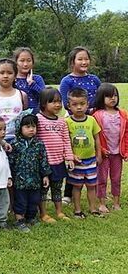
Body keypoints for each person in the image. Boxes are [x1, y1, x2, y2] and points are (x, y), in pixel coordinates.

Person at [59, 46, 101, 204]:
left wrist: (90, 112)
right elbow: (65, 101)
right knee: (74, 154)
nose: (84, 62)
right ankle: (68, 193)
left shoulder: (94, 79)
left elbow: (100, 97)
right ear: (72, 62)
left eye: (86, 59)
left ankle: (95, 189)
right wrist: (78, 113)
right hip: (73, 121)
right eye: (80, 59)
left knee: (90, 152)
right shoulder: (67, 81)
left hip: (92, 120)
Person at [8, 110, 51, 232]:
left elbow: (43, 161)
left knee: (34, 200)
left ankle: (31, 217)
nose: (31, 129)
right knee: (20, 200)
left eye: (33, 126)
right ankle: (19, 219)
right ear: (19, 127)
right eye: (27, 127)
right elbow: (10, 162)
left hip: (35, 179)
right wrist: (9, 176)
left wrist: (45, 175)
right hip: (19, 180)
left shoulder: (39, 145)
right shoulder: (15, 145)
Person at [36, 87, 74, 223]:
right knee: (43, 190)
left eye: (59, 101)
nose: (57, 105)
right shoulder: (38, 119)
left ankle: (59, 211)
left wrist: (69, 157)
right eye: (53, 102)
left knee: (57, 188)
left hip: (58, 162)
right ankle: (44, 214)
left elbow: (66, 140)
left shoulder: (62, 121)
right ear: (43, 104)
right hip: (44, 163)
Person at [65, 87, 103, 218]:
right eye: (75, 105)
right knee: (77, 186)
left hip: (91, 160)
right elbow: (66, 141)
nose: (79, 107)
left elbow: (97, 138)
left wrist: (99, 154)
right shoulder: (67, 122)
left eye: (82, 104)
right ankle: (77, 210)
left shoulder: (91, 120)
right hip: (76, 162)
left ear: (88, 104)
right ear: (69, 106)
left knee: (92, 186)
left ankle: (93, 209)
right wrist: (71, 156)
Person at [93, 83, 128, 213]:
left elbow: (126, 134)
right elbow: (95, 136)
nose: (113, 98)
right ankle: (101, 203)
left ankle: (116, 202)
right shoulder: (97, 115)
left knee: (116, 178)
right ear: (101, 98)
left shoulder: (123, 114)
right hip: (103, 154)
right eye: (108, 96)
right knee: (101, 178)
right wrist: (100, 150)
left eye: (115, 95)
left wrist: (125, 150)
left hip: (118, 153)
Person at [0, 58, 28, 143]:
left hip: (18, 139)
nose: (5, 76)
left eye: (9, 73)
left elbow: (25, 118)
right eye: (2, 73)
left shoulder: (22, 95)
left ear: (15, 75)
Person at [14, 47, 45, 113]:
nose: (25, 64)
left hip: (36, 116)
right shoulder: (12, 80)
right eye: (22, 61)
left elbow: (44, 97)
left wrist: (32, 84)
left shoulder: (37, 79)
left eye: (29, 61)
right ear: (16, 62)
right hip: (17, 115)